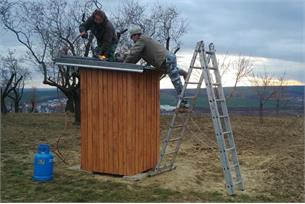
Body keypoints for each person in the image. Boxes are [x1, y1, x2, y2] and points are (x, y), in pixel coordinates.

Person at [124, 28, 189, 110]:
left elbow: (133, 54)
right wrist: (128, 64)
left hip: (165, 59)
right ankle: (182, 72)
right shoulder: (144, 41)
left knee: (175, 80)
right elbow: (135, 57)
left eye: (132, 37)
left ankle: (184, 102)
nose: (132, 40)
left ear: (136, 35)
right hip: (164, 61)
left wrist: (124, 64)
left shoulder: (141, 40)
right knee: (170, 71)